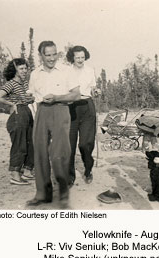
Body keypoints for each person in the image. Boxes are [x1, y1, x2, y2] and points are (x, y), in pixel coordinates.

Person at [27, 40, 80, 207]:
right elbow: (32, 93)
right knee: (40, 151)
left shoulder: (66, 71)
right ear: (41, 55)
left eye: (54, 54)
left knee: (60, 153)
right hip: (41, 110)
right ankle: (43, 193)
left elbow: (76, 95)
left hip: (60, 110)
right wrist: (29, 97)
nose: (51, 58)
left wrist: (57, 97)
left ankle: (63, 195)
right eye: (47, 55)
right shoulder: (35, 73)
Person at [0, 58, 35, 185]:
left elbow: (28, 99)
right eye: (21, 69)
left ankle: (27, 171)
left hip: (27, 113)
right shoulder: (11, 83)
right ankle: (15, 175)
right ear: (15, 70)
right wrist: (12, 103)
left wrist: (30, 98)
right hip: (18, 116)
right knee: (19, 145)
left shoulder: (24, 84)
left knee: (31, 143)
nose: (24, 71)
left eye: (26, 68)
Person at [66, 45, 99, 186]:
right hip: (70, 107)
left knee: (86, 143)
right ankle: (69, 176)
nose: (80, 60)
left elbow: (93, 88)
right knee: (69, 145)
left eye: (82, 57)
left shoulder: (90, 70)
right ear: (72, 58)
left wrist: (96, 91)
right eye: (77, 57)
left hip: (87, 106)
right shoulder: (66, 71)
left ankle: (88, 170)